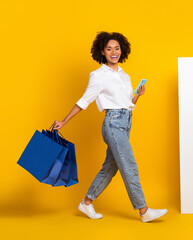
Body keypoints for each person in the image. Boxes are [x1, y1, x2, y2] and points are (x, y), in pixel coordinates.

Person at [53, 31, 167, 222]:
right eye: (109, 49)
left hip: (125, 121)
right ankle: (144, 211)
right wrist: (64, 121)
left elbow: (127, 104)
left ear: (122, 50)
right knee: (129, 165)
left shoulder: (124, 75)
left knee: (110, 168)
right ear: (102, 52)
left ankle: (86, 203)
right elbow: (84, 101)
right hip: (113, 124)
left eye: (117, 48)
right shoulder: (98, 76)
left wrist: (138, 95)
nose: (114, 52)